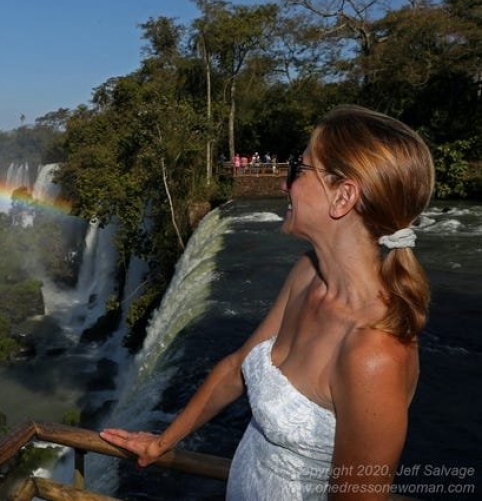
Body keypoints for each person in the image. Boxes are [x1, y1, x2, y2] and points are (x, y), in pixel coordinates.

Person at [100, 105, 435, 500]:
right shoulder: (307, 274)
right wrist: (162, 441)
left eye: (299, 169)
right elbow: (237, 368)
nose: (283, 185)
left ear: (343, 195)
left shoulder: (373, 353)